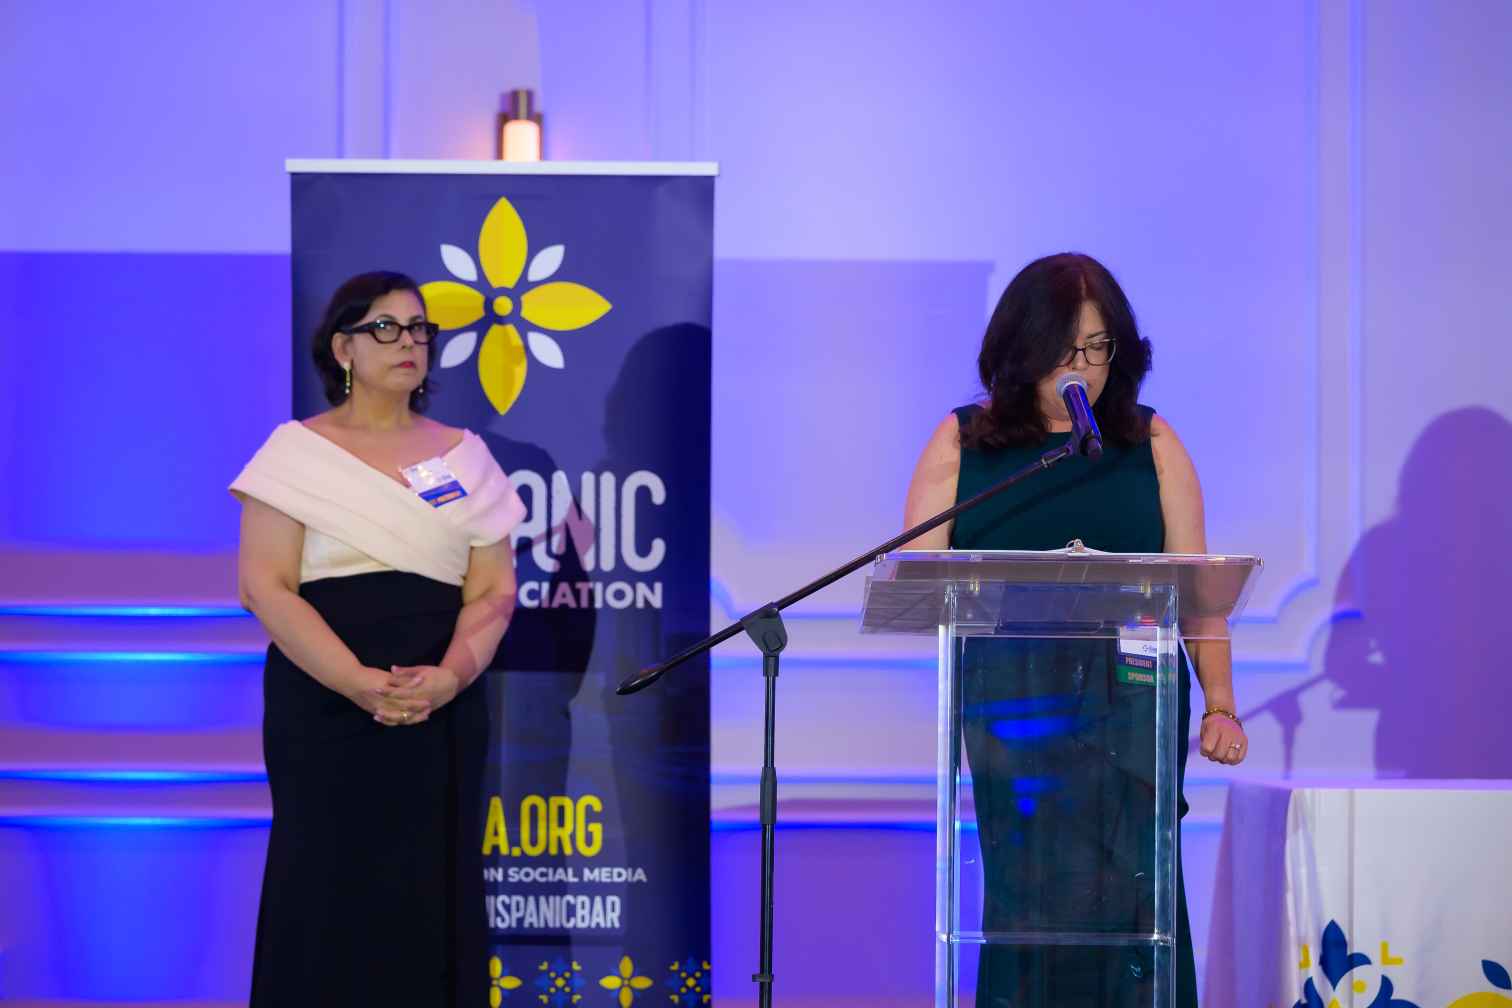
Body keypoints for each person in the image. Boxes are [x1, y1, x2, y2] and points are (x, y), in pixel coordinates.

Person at [903, 253, 1248, 1008]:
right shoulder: (965, 444)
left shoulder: (1153, 444)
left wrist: (1220, 705)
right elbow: (920, 584)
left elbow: (1199, 597)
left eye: (1099, 348)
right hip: (1014, 715)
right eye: (1067, 350)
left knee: (1136, 895)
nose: (1084, 369)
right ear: (1022, 349)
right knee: (1030, 897)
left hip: (1133, 710)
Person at [230, 271, 525, 1006]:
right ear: (344, 349)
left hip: (439, 706)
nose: (409, 342)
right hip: (324, 704)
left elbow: (494, 589)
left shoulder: (464, 457)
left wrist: (450, 677)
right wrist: (357, 682)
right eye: (386, 328)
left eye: (420, 328)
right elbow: (266, 586)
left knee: (430, 885)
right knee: (324, 885)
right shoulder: (295, 454)